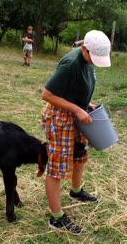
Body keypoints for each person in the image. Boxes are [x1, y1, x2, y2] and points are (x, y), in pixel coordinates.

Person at [42, 30, 111, 234]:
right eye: (93, 57)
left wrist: (86, 105)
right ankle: (56, 218)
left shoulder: (87, 60)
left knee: (80, 155)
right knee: (57, 166)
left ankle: (76, 191)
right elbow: (47, 95)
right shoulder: (70, 64)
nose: (95, 62)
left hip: (78, 114)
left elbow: (73, 89)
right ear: (84, 49)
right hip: (60, 118)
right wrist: (78, 109)